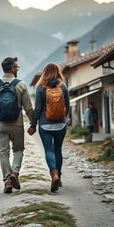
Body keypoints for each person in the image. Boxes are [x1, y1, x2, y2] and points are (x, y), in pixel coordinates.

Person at [0, 57, 33, 194]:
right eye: (17, 67)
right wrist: (33, 123)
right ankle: (15, 173)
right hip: (17, 124)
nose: (17, 69)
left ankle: (7, 182)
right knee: (18, 150)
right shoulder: (21, 85)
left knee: (3, 153)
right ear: (12, 68)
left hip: (0, 124)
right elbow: (28, 108)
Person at [28, 63, 70, 192]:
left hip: (45, 125)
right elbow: (67, 106)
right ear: (58, 72)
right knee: (58, 150)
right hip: (61, 124)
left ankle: (54, 175)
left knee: (49, 150)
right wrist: (62, 117)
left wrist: (33, 124)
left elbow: (38, 108)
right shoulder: (63, 86)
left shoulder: (40, 87)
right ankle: (59, 177)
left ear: (44, 73)